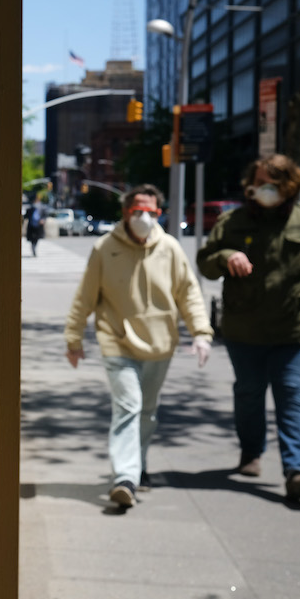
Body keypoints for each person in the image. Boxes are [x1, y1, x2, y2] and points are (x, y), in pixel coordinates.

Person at [197, 154, 300, 502]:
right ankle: (251, 452)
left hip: (295, 331)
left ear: (288, 187)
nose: (262, 189)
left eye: (271, 183)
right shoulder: (231, 221)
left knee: (292, 394)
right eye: (259, 181)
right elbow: (206, 264)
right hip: (244, 330)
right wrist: (225, 257)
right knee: (248, 394)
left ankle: (296, 471)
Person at [64, 184, 212, 508]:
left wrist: (201, 333)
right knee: (128, 407)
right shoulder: (105, 248)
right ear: (125, 213)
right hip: (118, 343)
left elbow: (189, 293)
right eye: (138, 211)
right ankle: (125, 478)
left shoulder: (170, 248)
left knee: (147, 410)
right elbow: (85, 297)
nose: (145, 217)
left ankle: (139, 465)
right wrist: (73, 340)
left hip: (160, 345)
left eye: (152, 212)